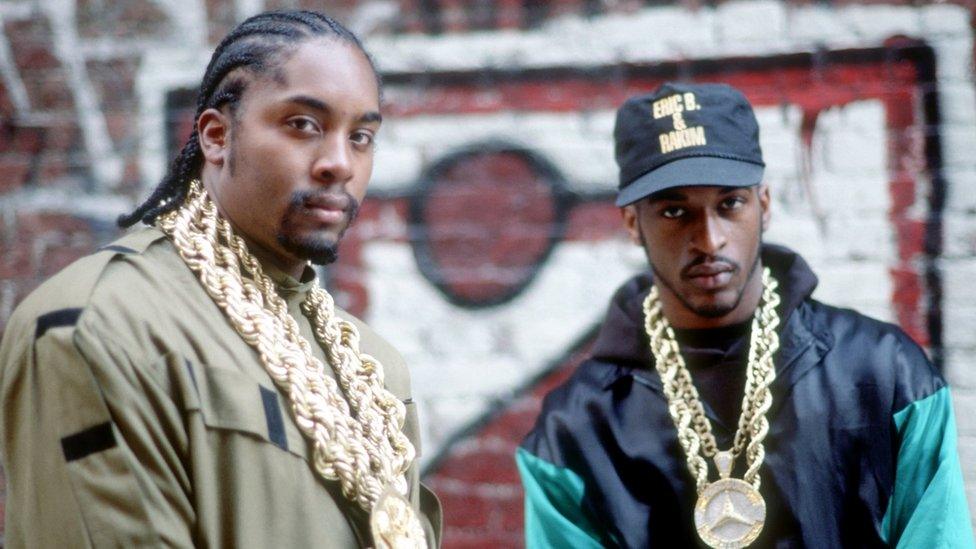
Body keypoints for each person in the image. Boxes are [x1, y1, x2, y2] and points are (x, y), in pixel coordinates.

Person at [0, 10, 440, 548]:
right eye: (303, 124)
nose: (339, 163)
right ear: (216, 136)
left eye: (362, 136)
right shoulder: (102, 325)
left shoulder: (376, 372)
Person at [517, 82, 973, 548]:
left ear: (765, 205)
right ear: (634, 224)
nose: (709, 239)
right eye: (675, 211)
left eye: (730, 203)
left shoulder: (884, 372)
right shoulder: (573, 427)